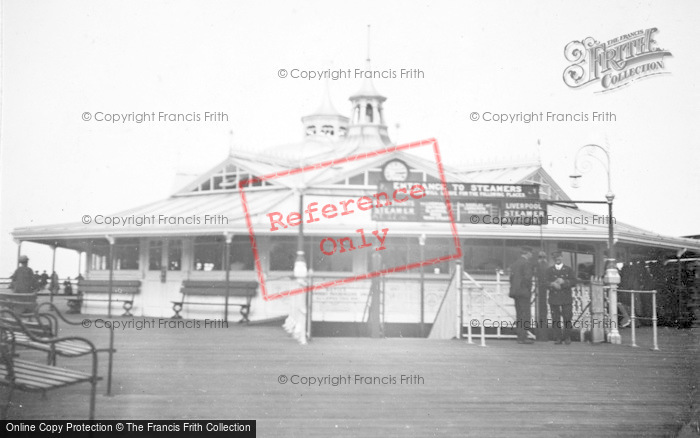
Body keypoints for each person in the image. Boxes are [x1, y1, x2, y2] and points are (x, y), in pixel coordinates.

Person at [547, 251, 576, 344]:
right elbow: (544, 283)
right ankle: (558, 338)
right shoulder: (549, 270)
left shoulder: (568, 269)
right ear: (553, 259)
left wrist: (564, 282)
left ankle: (567, 337)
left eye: (559, 257)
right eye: (555, 257)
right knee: (555, 318)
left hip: (565, 298)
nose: (557, 259)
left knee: (567, 317)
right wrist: (552, 284)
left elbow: (574, 282)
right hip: (554, 297)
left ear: (562, 257)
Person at [509, 246, 534, 344]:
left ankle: (520, 336)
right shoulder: (526, 263)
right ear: (527, 253)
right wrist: (528, 289)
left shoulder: (515, 264)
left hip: (515, 292)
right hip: (523, 292)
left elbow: (511, 278)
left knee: (519, 315)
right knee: (525, 315)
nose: (531, 255)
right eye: (531, 253)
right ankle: (523, 337)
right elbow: (528, 278)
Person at [535, 251, 550, 340]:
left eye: (542, 257)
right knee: (542, 312)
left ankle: (542, 335)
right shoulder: (545, 265)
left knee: (542, 312)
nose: (541, 259)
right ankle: (542, 335)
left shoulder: (542, 265)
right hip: (541, 290)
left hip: (542, 290)